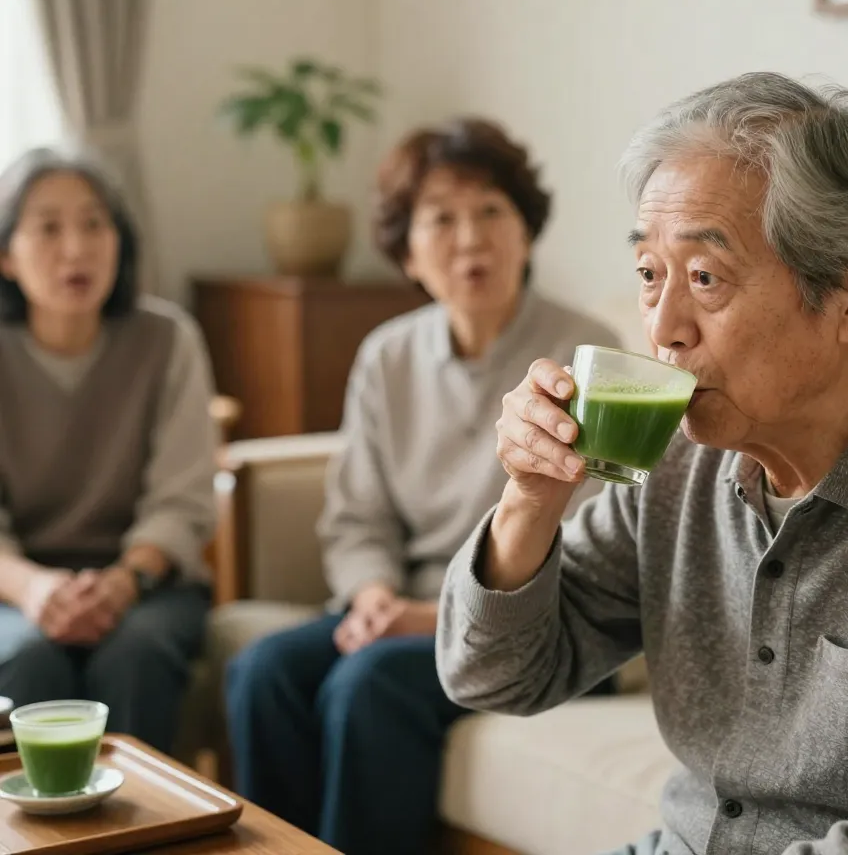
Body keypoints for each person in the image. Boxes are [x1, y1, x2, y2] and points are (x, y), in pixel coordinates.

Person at [435, 73, 848, 853]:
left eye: (704, 278)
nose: (662, 330)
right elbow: (494, 676)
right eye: (650, 275)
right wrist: (530, 499)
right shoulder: (680, 464)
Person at [224, 118, 620, 855]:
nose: (470, 238)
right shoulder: (388, 357)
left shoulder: (586, 357)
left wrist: (433, 613)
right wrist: (373, 594)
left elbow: (601, 541)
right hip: (399, 612)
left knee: (366, 684)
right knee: (264, 669)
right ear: (408, 250)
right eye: (441, 219)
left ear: (527, 232)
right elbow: (357, 518)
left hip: (540, 629)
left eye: (491, 212)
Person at [0, 148, 218, 754]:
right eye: (48, 227)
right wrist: (36, 590)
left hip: (148, 584)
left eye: (95, 224)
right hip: (12, 590)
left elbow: (183, 497)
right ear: (6, 256)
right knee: (28, 656)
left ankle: (149, 839)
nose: (77, 248)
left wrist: (123, 582)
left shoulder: (168, 339)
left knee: (137, 653)